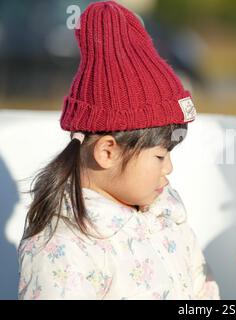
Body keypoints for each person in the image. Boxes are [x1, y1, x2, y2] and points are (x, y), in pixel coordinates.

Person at [17, 1, 220, 300]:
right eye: (160, 156)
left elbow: (201, 290)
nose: (169, 169)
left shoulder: (165, 209)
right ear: (107, 152)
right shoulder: (62, 251)